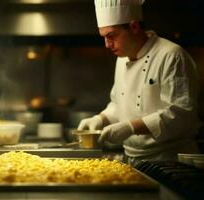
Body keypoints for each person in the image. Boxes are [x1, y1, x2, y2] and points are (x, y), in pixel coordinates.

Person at [78, 0, 201, 166]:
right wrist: (100, 119)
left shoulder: (171, 56)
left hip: (170, 161)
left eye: (111, 36)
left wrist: (131, 127)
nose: (107, 45)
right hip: (133, 160)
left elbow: (180, 113)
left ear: (134, 27)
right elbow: (118, 103)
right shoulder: (122, 59)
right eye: (104, 37)